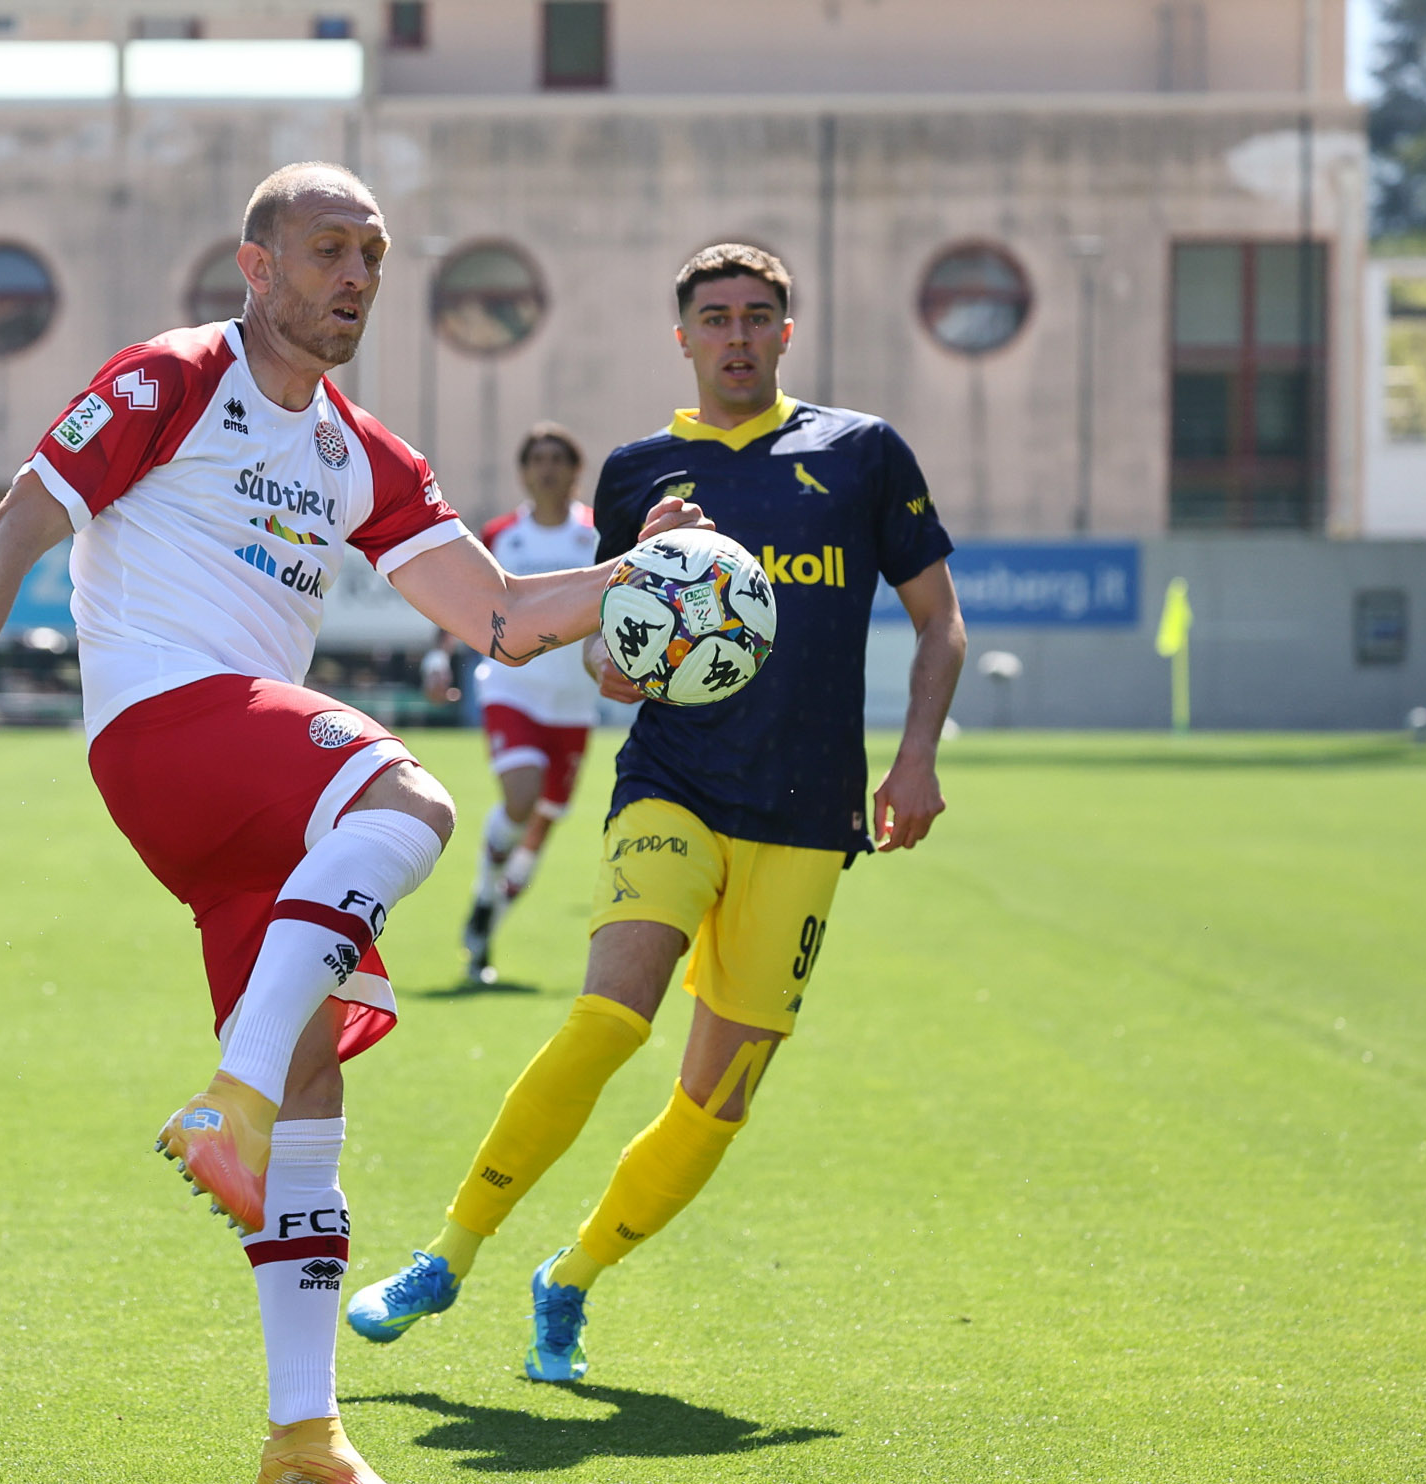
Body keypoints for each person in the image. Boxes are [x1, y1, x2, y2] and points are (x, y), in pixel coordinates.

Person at [0, 162, 706, 1484]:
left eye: (372, 254)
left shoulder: (359, 452)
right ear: (256, 266)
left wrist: (639, 572)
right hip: (168, 728)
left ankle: (305, 1433)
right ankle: (223, 1105)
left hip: (249, 805)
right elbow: (13, 529)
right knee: (410, 799)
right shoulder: (174, 378)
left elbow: (501, 616)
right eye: (326, 250)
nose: (355, 276)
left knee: (315, 1094)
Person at [348, 242, 967, 1385]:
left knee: (717, 1099)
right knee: (608, 1018)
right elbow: (611, 666)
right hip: (673, 782)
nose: (737, 334)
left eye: (757, 314)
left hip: (807, 809)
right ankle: (447, 1254)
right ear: (682, 337)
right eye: (715, 317)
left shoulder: (862, 453)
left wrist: (916, 757)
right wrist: (642, 574)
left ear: (787, 330)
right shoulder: (641, 475)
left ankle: (571, 1276)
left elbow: (941, 620)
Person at [453, 424, 606, 984]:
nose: (547, 469)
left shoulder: (597, 535)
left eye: (557, 459)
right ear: (523, 471)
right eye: (537, 459)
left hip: (574, 703)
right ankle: (482, 893)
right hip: (512, 687)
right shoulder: (502, 535)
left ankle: (484, 924)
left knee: (540, 830)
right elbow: (466, 597)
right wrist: (440, 653)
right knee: (521, 798)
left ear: (575, 470)